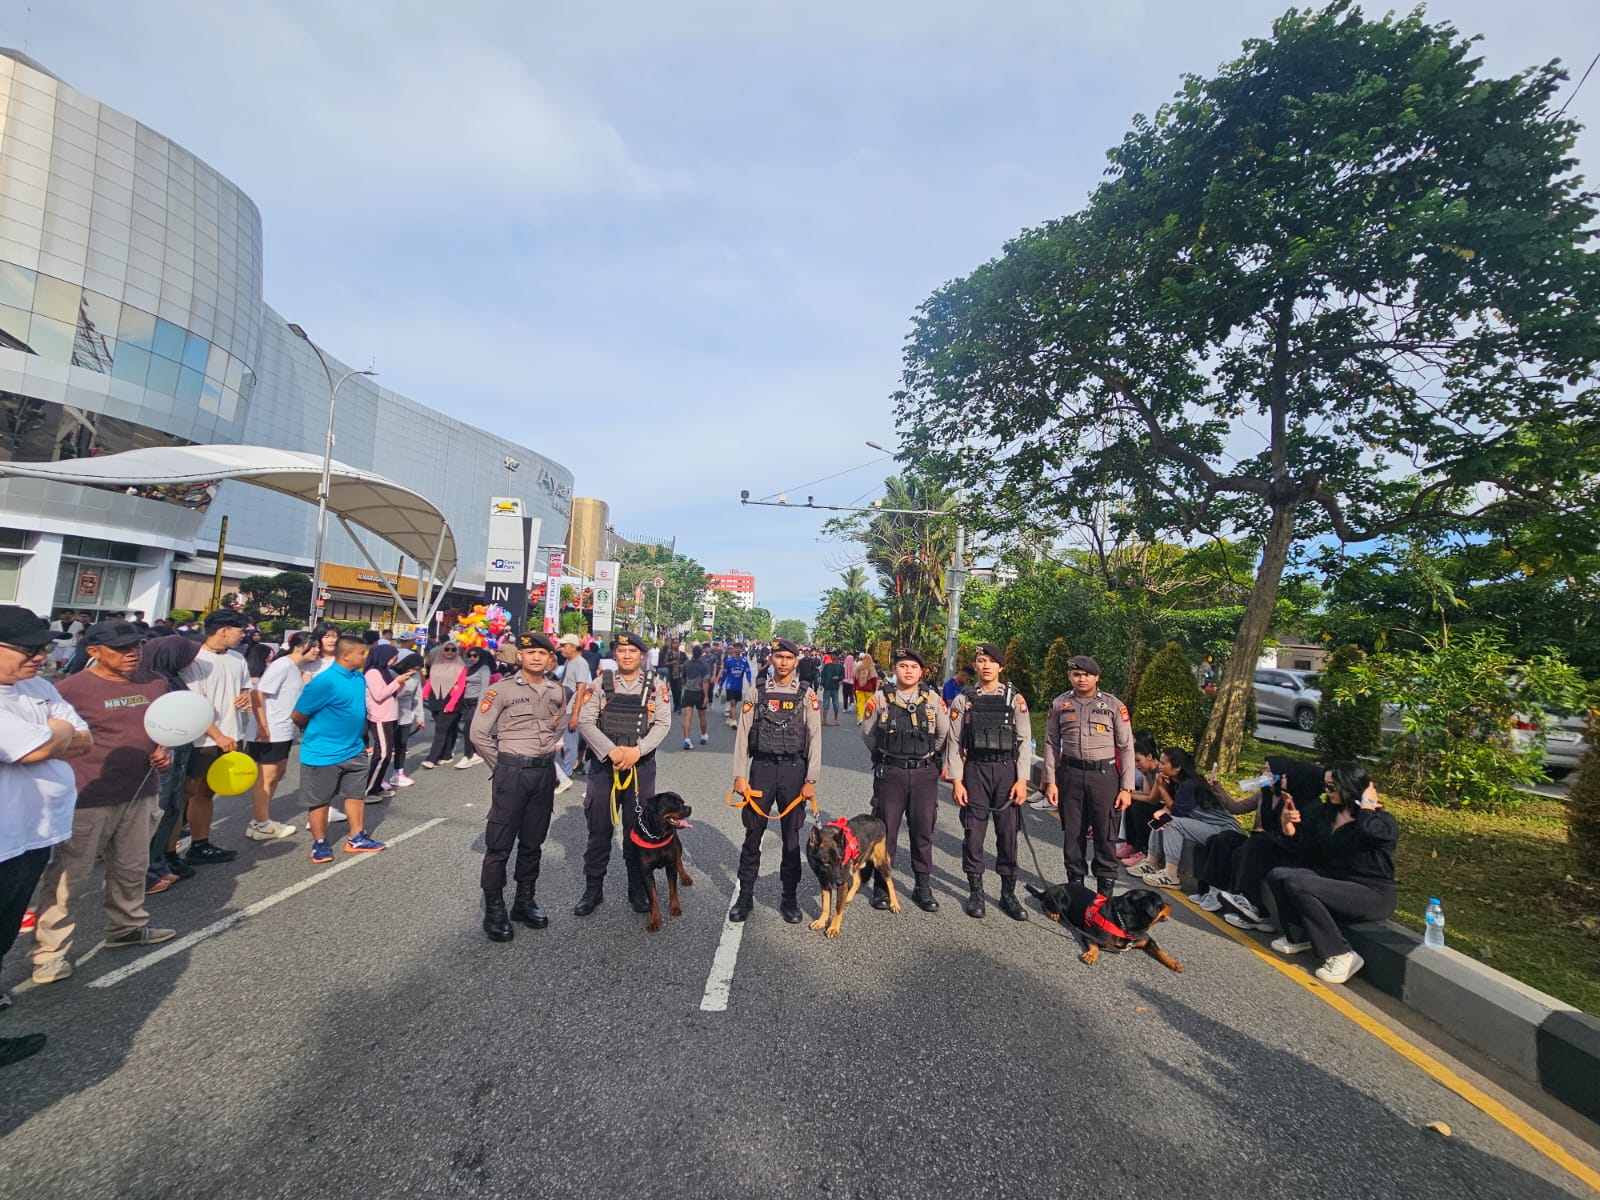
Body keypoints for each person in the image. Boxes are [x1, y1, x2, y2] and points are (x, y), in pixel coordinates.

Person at [32, 621, 177, 985]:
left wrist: (164, 750)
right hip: (88, 796)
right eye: (122, 648)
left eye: (137, 645)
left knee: (132, 866)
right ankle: (50, 952)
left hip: (141, 790)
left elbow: (164, 727)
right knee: (70, 877)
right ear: (94, 651)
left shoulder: (154, 682)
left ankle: (127, 927)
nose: (133, 653)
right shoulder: (70, 690)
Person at [0, 606, 91, 1065]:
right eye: (29, 649)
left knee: (3, 932)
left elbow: (83, 738)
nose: (42, 657)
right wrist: (51, 736)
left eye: (45, 648)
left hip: (32, 837)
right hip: (4, 840)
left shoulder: (35, 686)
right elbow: (38, 748)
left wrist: (49, 737)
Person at [470, 632, 568, 941]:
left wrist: (544, 752)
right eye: (530, 653)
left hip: (542, 773)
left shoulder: (557, 691)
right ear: (520, 657)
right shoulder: (501, 690)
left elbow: (559, 724)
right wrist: (501, 765)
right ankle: (494, 910)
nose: (537, 657)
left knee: (532, 842)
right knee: (499, 844)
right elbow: (478, 734)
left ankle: (524, 902)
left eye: (543, 653)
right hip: (512, 771)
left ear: (550, 658)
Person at [1265, 762, 1399, 984]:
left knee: (1300, 884)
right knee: (1280, 874)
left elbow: (1369, 833)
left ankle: (1341, 954)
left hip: (1372, 893)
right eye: (1325, 786)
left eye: (1332, 787)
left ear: (1350, 786)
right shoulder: (1326, 814)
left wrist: (1366, 805)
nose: (1327, 792)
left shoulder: (1381, 821)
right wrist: (1288, 827)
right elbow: (1305, 851)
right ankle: (1299, 937)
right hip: (1335, 884)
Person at [574, 631, 672, 917]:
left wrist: (636, 751)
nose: (626, 655)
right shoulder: (600, 684)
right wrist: (612, 751)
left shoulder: (656, 686)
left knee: (637, 829)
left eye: (632, 651)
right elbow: (586, 721)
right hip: (605, 767)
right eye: (621, 651)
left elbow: (663, 724)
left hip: (640, 767)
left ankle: (637, 886)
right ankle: (593, 888)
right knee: (599, 829)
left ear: (641, 655)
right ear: (614, 655)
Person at [727, 638, 820, 924]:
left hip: (794, 771)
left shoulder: (806, 694)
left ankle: (789, 898)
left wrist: (811, 779)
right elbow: (743, 734)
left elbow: (815, 737)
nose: (783, 662)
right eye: (778, 657)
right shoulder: (757, 691)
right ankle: (745, 897)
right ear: (771, 659)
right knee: (753, 834)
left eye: (788, 658)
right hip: (762, 770)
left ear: (796, 661)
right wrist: (739, 775)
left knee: (791, 838)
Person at [861, 647, 951, 913]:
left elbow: (942, 734)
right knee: (884, 831)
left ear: (921, 672)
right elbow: (868, 734)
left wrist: (927, 756)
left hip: (924, 774)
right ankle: (880, 884)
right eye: (903, 666)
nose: (908, 671)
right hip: (891, 773)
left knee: (922, 830)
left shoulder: (933, 699)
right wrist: (886, 755)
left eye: (913, 666)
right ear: (894, 670)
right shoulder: (880, 699)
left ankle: (922, 885)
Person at [945, 642, 1030, 920]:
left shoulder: (1014, 699)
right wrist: (957, 780)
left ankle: (1008, 894)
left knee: (1008, 835)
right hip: (976, 770)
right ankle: (976, 892)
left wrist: (1022, 781)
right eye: (981, 660)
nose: (985, 666)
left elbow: (1023, 740)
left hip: (1006, 771)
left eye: (991, 661)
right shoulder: (963, 700)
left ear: (1000, 667)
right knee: (974, 834)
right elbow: (955, 741)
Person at [1043, 655, 1134, 903]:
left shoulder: (1114, 706)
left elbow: (1126, 747)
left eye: (1087, 674)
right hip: (1070, 775)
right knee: (1073, 834)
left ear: (1096, 677)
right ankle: (1076, 889)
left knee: (1106, 834)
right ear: (1070, 677)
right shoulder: (1060, 704)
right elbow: (1051, 743)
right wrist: (1050, 781)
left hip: (1104, 777)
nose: (1081, 679)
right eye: (1076, 674)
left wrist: (1126, 788)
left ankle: (1104, 894)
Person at [292, 634, 387, 863]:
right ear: (345, 655)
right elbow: (298, 715)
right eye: (361, 653)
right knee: (320, 800)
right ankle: (320, 843)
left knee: (355, 795)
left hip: (354, 749)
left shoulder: (358, 678)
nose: (365, 657)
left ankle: (357, 837)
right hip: (323, 752)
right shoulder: (324, 682)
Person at [178, 609, 258, 865]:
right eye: (240, 631)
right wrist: (217, 734)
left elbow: (246, 687)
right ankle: (171, 848)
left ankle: (199, 843)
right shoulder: (195, 659)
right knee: (190, 792)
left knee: (207, 793)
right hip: (203, 740)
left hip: (232, 735)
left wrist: (246, 695)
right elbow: (194, 704)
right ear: (223, 630)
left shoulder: (237, 658)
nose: (243, 636)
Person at [1215, 754, 1326, 931]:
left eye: (1269, 770)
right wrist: (1265, 792)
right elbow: (1239, 808)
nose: (1264, 774)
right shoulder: (1268, 794)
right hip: (1272, 843)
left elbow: (1292, 838)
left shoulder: (1302, 804)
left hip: (1287, 853)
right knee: (1234, 846)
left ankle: (1254, 906)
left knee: (1256, 845)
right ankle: (1238, 901)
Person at [1130, 746, 1245, 891]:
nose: (1160, 765)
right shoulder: (1175, 781)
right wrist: (1164, 808)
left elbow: (1178, 811)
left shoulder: (1189, 784)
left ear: (1177, 768)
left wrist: (1161, 788)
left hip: (1222, 829)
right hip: (1203, 824)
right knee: (1162, 819)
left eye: (1164, 763)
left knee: (1172, 823)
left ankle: (1171, 875)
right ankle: (1151, 862)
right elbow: (1172, 806)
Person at [244, 631, 312, 842]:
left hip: (283, 730)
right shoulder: (282, 664)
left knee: (278, 774)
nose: (318, 650)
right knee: (266, 777)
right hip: (269, 731)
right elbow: (257, 693)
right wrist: (263, 727)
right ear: (300, 646)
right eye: (315, 646)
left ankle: (262, 821)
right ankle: (260, 824)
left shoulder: (295, 668)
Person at [363, 644, 416, 799]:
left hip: (390, 716)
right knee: (383, 754)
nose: (394, 661)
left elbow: (393, 693)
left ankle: (377, 785)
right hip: (380, 717)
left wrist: (401, 682)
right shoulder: (373, 673)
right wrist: (396, 681)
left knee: (386, 754)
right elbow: (379, 695)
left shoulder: (384, 671)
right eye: (393, 657)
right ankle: (369, 789)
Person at [1114, 731, 1163, 868]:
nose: (1136, 765)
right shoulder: (1148, 771)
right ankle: (1131, 845)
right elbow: (1145, 792)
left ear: (1149, 757)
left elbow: (1152, 799)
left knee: (1138, 808)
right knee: (1131, 803)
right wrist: (1126, 793)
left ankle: (1144, 850)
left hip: (1166, 808)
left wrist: (1127, 793)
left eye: (1138, 760)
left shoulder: (1159, 771)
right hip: (1156, 804)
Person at [421, 641, 469, 767]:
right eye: (447, 649)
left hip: (452, 700)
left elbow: (461, 686)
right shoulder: (437, 664)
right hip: (436, 699)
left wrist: (452, 704)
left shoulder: (460, 666)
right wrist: (422, 695)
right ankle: (447, 754)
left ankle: (432, 758)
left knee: (441, 729)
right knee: (449, 727)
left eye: (453, 650)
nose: (449, 652)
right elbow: (431, 681)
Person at [557, 634, 592, 783]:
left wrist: (575, 714)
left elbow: (581, 688)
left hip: (572, 708)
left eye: (564, 645)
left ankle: (566, 774)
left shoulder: (580, 663)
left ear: (573, 646)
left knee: (570, 742)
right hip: (565, 707)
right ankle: (573, 767)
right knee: (569, 741)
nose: (561, 649)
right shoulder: (569, 662)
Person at [453, 647, 494, 769]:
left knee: (468, 729)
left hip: (476, 701)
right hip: (466, 701)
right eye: (469, 655)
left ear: (480, 656)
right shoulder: (469, 669)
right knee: (469, 727)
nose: (471, 658)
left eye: (475, 655)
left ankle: (467, 756)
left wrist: (480, 706)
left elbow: (484, 688)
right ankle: (476, 753)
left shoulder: (484, 669)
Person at [389, 650, 425, 787]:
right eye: (412, 669)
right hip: (390, 713)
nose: (413, 672)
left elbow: (417, 697)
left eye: (417, 670)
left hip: (406, 714)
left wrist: (420, 716)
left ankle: (398, 772)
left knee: (401, 745)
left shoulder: (415, 678)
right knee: (386, 748)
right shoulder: (392, 673)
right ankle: (378, 777)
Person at [680, 644, 711, 748]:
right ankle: (703, 736)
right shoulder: (705, 665)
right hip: (700, 693)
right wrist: (706, 696)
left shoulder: (686, 664)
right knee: (702, 715)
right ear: (701, 653)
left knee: (687, 716)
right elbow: (705, 681)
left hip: (688, 692)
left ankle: (687, 739)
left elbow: (683, 679)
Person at [721, 642, 753, 727]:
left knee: (734, 704)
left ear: (742, 649)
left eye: (739, 648)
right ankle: (734, 721)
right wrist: (720, 685)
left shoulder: (744, 661)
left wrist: (750, 683)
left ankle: (730, 719)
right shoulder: (729, 661)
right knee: (732, 702)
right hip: (730, 685)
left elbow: (748, 672)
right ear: (734, 649)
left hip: (739, 686)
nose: (738, 649)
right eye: (736, 648)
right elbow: (724, 674)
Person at [818, 653, 845, 727]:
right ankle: (825, 720)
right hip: (828, 687)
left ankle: (834, 720)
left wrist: (839, 678)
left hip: (833, 687)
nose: (831, 656)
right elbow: (823, 675)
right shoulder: (828, 666)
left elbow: (843, 676)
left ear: (836, 657)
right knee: (827, 704)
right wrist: (821, 684)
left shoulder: (840, 667)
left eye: (833, 655)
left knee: (834, 704)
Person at [852, 650, 878, 724]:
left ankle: (860, 718)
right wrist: (874, 690)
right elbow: (874, 680)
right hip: (869, 690)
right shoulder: (871, 668)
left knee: (860, 704)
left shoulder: (858, 667)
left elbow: (855, 678)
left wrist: (854, 687)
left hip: (859, 688)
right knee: (868, 705)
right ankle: (867, 719)